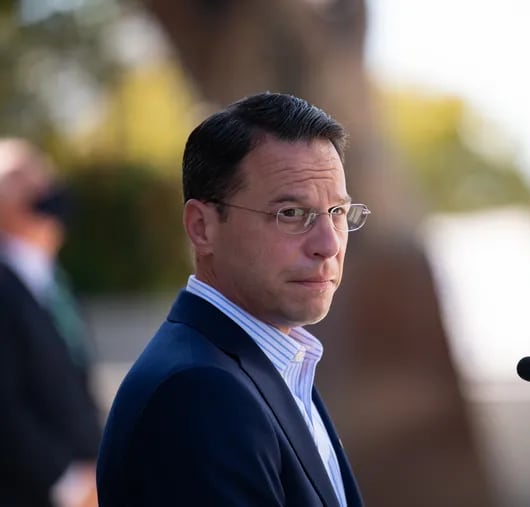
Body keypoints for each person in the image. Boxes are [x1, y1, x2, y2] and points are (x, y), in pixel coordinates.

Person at [96, 92, 368, 506]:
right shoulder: (199, 393)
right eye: (292, 213)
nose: (328, 244)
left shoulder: (273, 364)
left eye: (337, 213)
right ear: (202, 226)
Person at [0, 138, 101, 507]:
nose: (37, 184)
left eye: (40, 172)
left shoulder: (55, 281)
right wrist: (67, 480)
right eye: (16, 175)